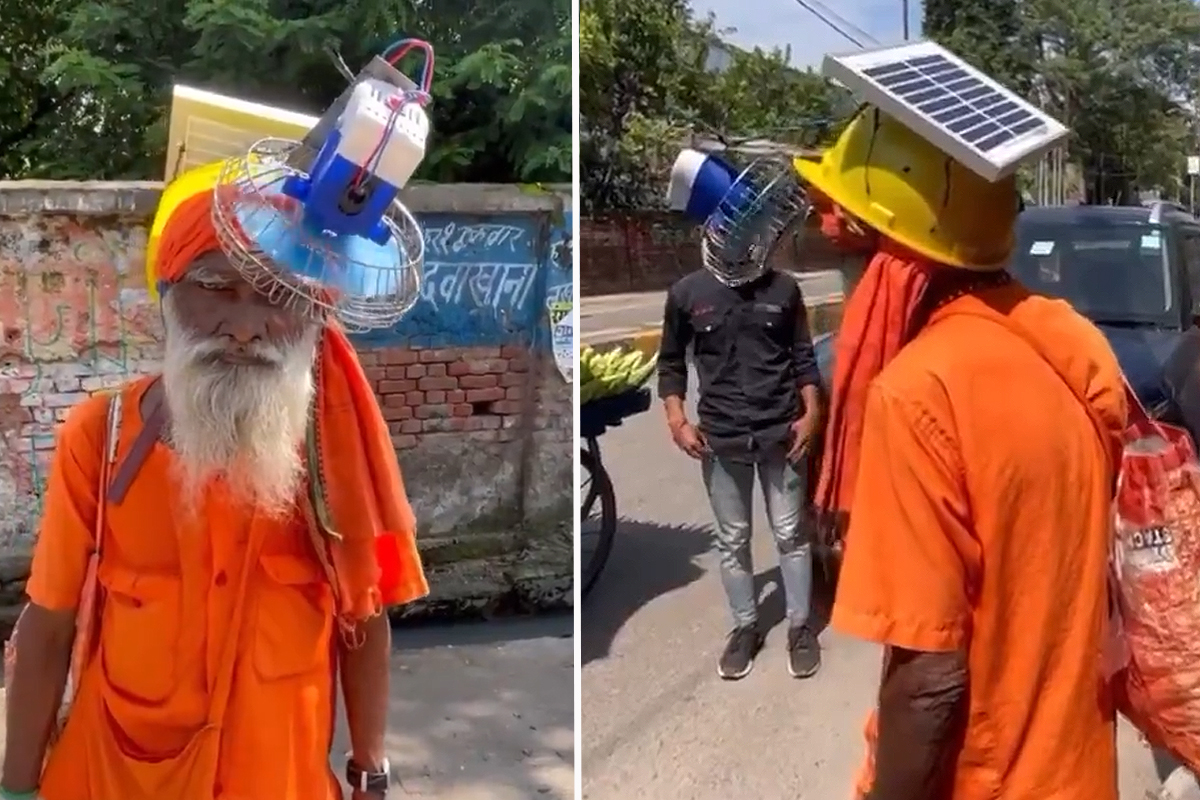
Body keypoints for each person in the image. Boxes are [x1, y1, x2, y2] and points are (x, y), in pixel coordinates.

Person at [0, 161, 430, 800]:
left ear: (313, 310)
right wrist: (15, 788)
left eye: (277, 294)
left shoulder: (337, 451)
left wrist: (370, 768)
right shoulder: (99, 434)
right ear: (170, 293)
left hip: (276, 778)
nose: (246, 327)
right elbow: (48, 622)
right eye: (216, 287)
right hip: (113, 775)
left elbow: (362, 620)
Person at [798, 106, 1128, 799]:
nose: (843, 280)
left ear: (889, 255)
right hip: (1080, 774)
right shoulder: (1070, 343)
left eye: (847, 251)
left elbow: (928, 679)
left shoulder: (919, 392)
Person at [656, 167, 824, 680]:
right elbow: (669, 363)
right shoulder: (688, 294)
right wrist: (677, 419)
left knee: (791, 533)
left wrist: (812, 412)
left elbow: (802, 358)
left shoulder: (784, 291)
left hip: (781, 431)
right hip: (721, 437)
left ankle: (799, 627)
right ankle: (745, 626)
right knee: (733, 538)